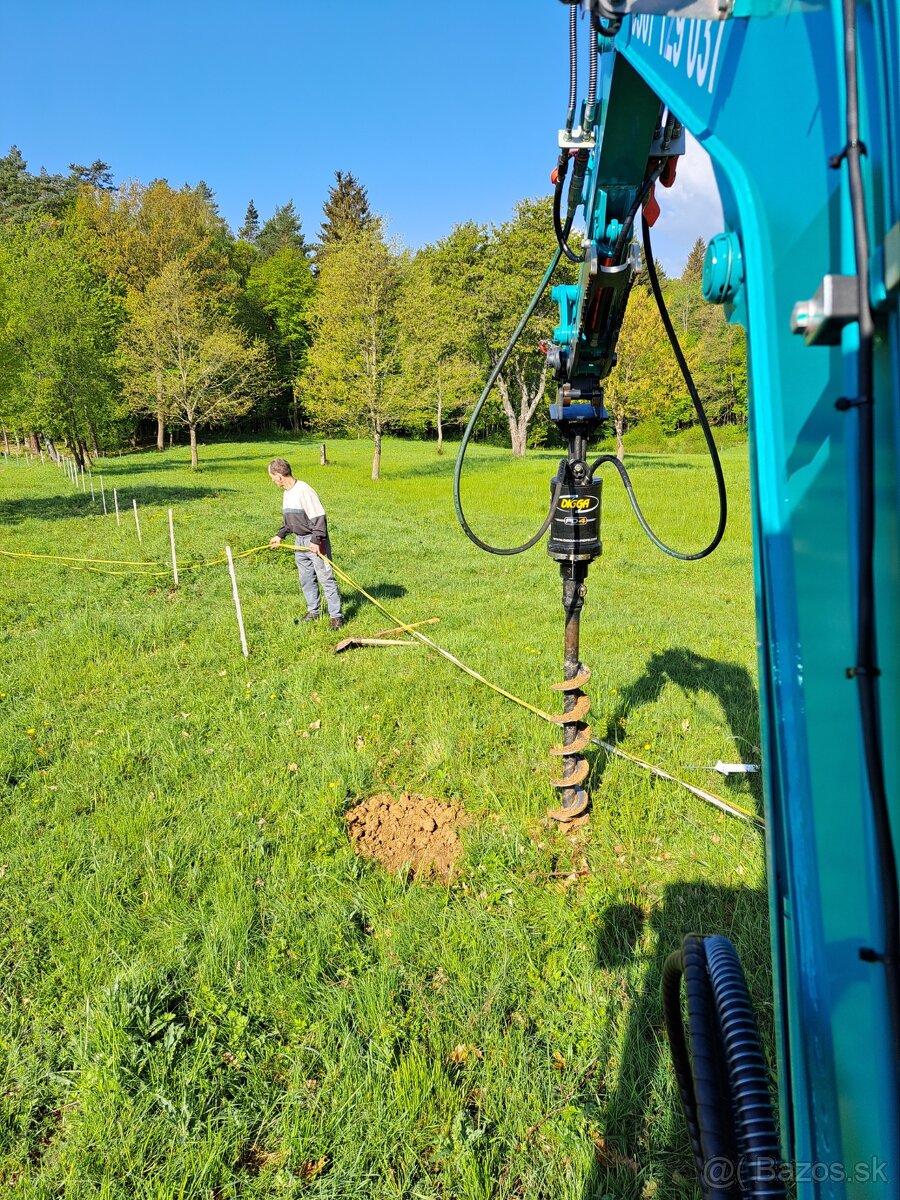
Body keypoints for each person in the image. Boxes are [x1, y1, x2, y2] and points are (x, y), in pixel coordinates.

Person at [267, 458, 344, 630]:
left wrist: (316, 541)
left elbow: (319, 517)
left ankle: (336, 617)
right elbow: (289, 522)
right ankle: (313, 612)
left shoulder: (304, 490)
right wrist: (280, 536)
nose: (271, 480)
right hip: (299, 542)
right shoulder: (287, 493)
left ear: (279, 476)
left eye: (272, 476)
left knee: (326, 578)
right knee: (306, 579)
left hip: (315, 541)